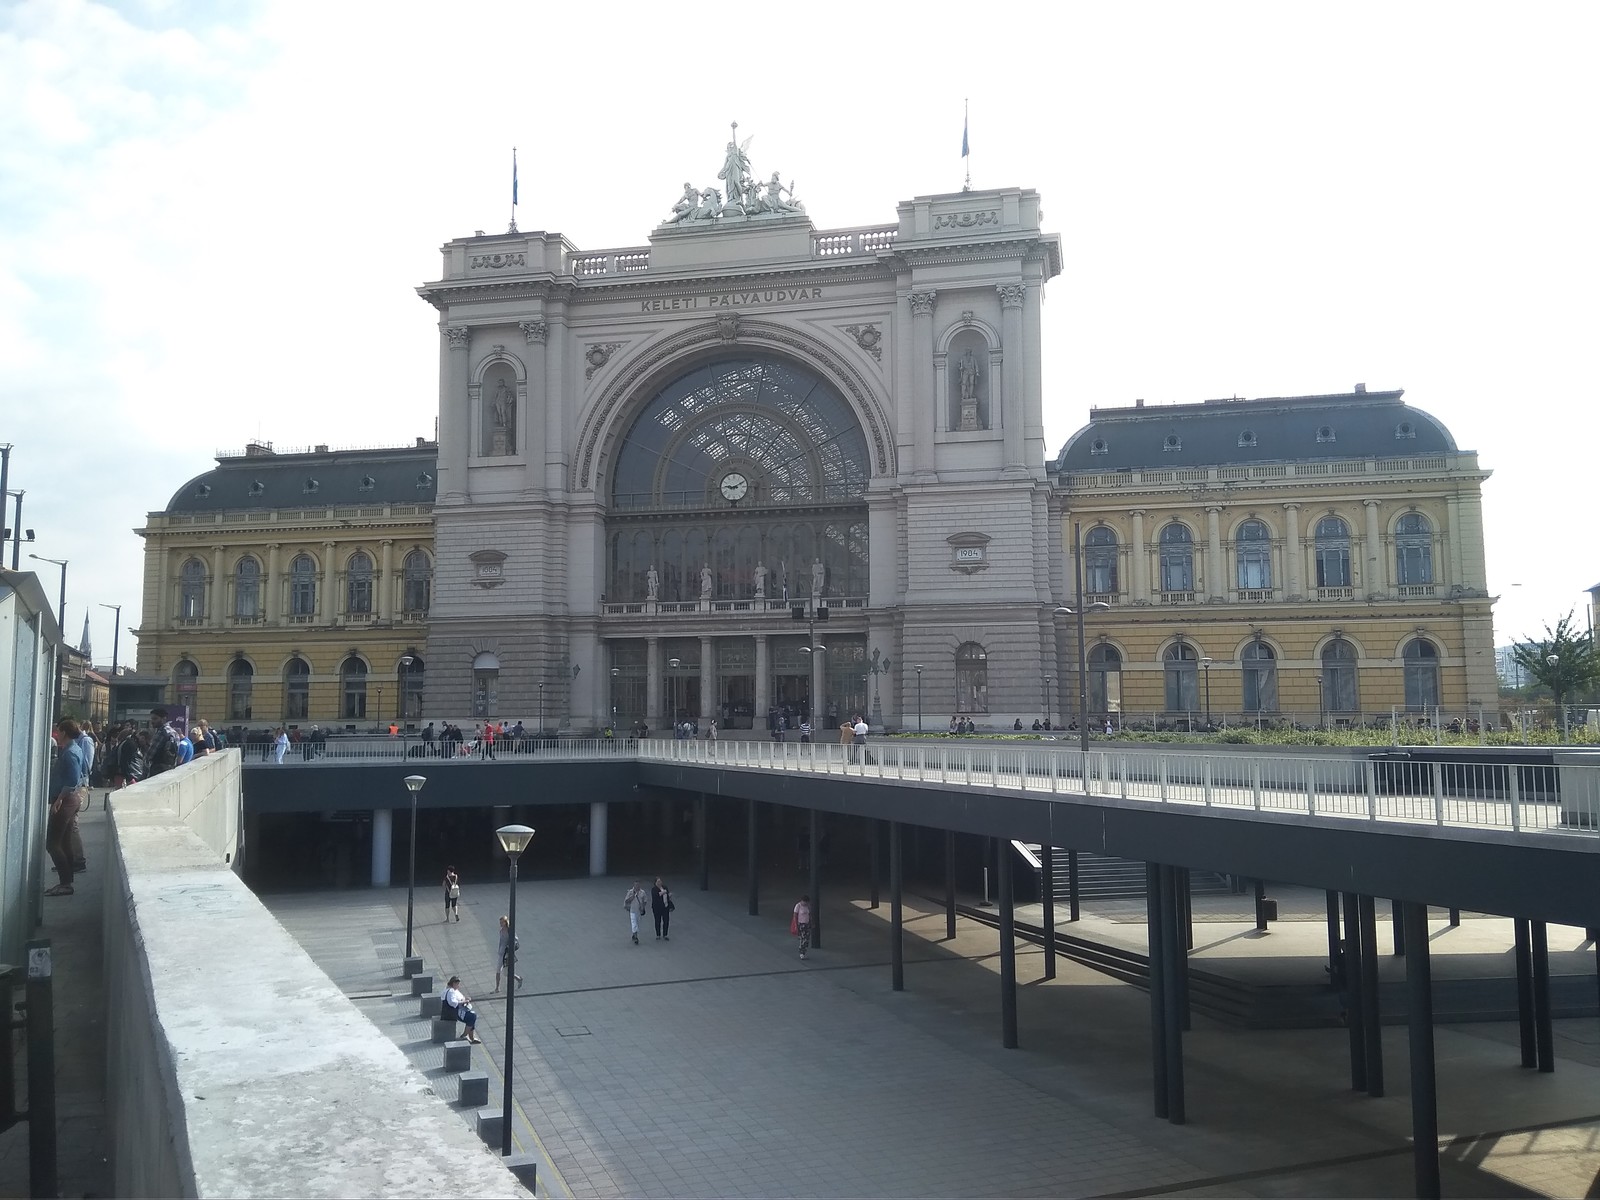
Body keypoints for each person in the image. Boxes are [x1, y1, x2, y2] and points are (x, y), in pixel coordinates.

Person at [45, 719, 89, 896]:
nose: (56, 733)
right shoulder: (75, 748)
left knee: (52, 843)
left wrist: (59, 799)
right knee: (64, 841)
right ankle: (67, 880)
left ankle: (65, 883)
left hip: (66, 799)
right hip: (72, 798)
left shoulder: (70, 752)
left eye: (58, 730)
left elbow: (71, 780)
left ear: (63, 732)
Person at [441, 977, 482, 1044]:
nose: (458, 986)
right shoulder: (451, 991)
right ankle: (465, 1035)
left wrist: (464, 999)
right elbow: (452, 1002)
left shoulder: (450, 990)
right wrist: (463, 1002)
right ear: (454, 983)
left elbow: (458, 998)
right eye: (457, 984)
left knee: (472, 1017)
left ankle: (471, 1037)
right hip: (455, 1012)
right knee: (472, 1017)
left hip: (457, 1010)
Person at [493, 914, 522, 992]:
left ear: (505, 922)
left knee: (506, 973)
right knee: (498, 970)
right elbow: (501, 941)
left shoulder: (510, 930)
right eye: (500, 922)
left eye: (502, 922)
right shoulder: (501, 930)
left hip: (507, 954)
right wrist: (499, 950)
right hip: (501, 953)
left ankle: (518, 978)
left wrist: (509, 946)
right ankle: (497, 988)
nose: (500, 924)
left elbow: (516, 939)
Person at [624, 879, 649, 945]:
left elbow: (645, 900)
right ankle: (636, 937)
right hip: (632, 910)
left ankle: (634, 934)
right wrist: (633, 896)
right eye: (635, 885)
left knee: (637, 923)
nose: (637, 886)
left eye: (638, 885)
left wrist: (643, 907)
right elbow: (627, 901)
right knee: (633, 923)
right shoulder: (630, 892)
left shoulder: (642, 892)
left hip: (639, 911)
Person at [651, 876, 674, 940]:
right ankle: (658, 934)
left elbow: (667, 895)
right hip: (657, 908)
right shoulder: (654, 889)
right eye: (658, 881)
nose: (659, 883)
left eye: (660, 881)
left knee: (666, 921)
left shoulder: (665, 887)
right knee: (657, 921)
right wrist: (663, 892)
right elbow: (656, 896)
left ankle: (665, 934)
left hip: (665, 907)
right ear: (655, 883)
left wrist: (669, 895)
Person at [793, 894, 812, 960]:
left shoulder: (807, 907)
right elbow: (795, 915)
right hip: (801, 924)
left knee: (807, 939)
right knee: (803, 938)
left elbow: (809, 914)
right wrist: (796, 924)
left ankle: (803, 951)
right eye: (805, 902)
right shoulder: (798, 906)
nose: (805, 903)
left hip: (807, 924)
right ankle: (802, 952)